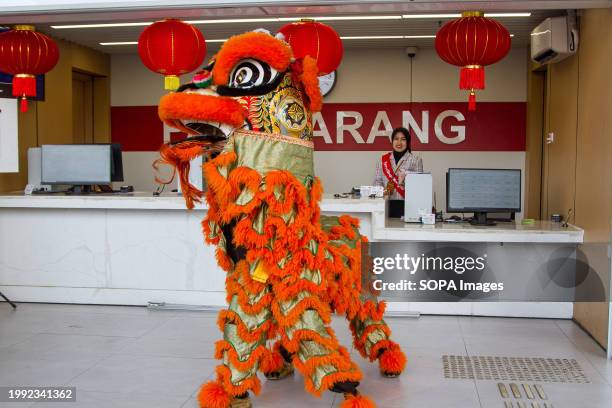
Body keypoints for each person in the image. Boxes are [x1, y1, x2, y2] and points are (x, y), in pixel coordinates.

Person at [374, 127, 423, 217]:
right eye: (396, 139)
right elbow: (377, 182)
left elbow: (419, 187)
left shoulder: (416, 160)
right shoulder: (383, 160)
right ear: (392, 141)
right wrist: (384, 191)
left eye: (403, 139)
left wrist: (404, 180)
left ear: (407, 142)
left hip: (408, 205)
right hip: (386, 204)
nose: (399, 142)